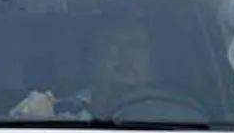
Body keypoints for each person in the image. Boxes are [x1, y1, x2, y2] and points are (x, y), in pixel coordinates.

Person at [10, 14, 162, 121]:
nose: (124, 54)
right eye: (111, 44)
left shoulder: (176, 117)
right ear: (92, 57)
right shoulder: (55, 111)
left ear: (153, 60)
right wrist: (38, 124)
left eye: (136, 45)